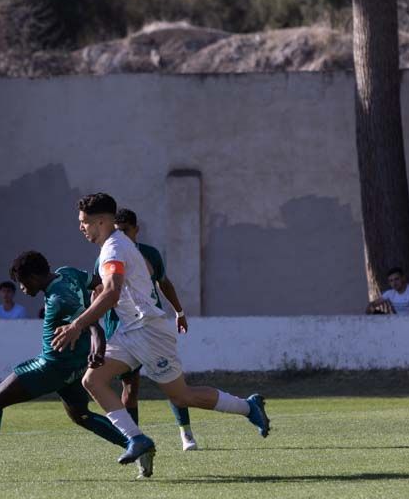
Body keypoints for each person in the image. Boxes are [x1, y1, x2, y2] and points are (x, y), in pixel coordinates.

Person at [52, 193, 269, 479]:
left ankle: (248, 406)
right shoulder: (118, 244)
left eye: (84, 222)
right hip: (132, 330)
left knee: (182, 395)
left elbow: (114, 290)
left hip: (150, 332)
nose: (81, 227)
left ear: (101, 221)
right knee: (93, 380)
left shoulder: (113, 249)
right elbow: (132, 280)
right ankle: (137, 439)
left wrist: (78, 324)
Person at [0, 251, 131, 484]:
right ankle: (136, 444)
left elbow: (91, 324)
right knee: (81, 416)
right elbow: (100, 282)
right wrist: (98, 301)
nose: (21, 288)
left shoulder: (60, 297)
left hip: (52, 366)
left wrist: (99, 348)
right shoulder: (68, 273)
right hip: (74, 363)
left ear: (32, 277)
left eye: (21, 283)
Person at [97, 208, 198, 451]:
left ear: (136, 229)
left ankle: (186, 433)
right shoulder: (108, 252)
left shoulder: (149, 254)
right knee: (130, 389)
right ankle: (135, 440)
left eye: (126, 231)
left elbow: (164, 283)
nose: (123, 235)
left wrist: (179, 312)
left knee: (171, 381)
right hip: (121, 330)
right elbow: (99, 289)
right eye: (118, 230)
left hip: (150, 327)